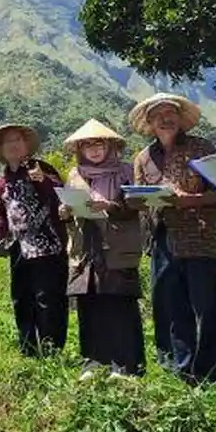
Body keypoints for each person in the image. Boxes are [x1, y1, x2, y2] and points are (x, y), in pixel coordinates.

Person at [129, 93, 216, 384]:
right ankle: (177, 369)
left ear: (180, 118)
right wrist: (140, 200)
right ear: (149, 122)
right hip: (161, 240)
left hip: (199, 238)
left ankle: (210, 375)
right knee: (169, 307)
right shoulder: (143, 158)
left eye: (170, 112)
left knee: (205, 307)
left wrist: (191, 200)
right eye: (157, 114)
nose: (165, 118)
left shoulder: (202, 148)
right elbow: (136, 198)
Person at [60, 120, 145, 378]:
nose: (94, 150)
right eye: (88, 146)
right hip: (86, 248)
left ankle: (126, 364)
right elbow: (68, 206)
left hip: (117, 246)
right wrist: (64, 211)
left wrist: (110, 206)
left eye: (99, 145)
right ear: (80, 150)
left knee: (119, 304)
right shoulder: (75, 175)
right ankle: (94, 361)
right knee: (90, 305)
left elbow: (138, 204)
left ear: (109, 146)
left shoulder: (126, 172)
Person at [0, 123, 69, 357]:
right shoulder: (2, 180)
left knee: (48, 299)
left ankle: (52, 351)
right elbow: (1, 214)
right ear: (1, 149)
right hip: (18, 247)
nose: (13, 145)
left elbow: (61, 195)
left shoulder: (41, 168)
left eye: (17, 140)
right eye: (7, 142)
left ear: (26, 145)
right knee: (21, 299)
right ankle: (28, 349)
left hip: (48, 247)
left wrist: (42, 180)